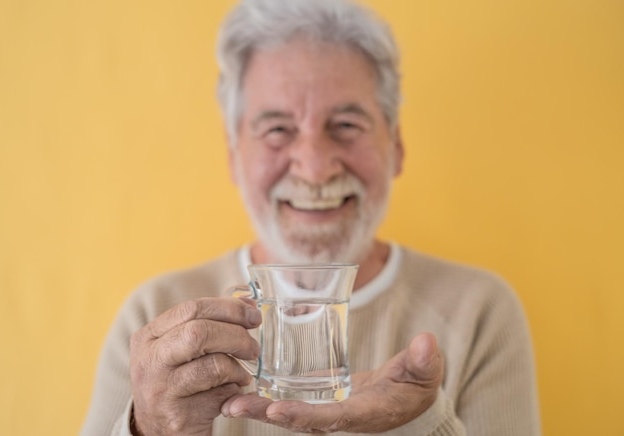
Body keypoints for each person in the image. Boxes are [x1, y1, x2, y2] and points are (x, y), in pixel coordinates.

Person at [81, 0, 540, 434]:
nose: (315, 167)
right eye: (278, 129)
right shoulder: (154, 316)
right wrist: (156, 430)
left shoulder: (481, 312)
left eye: (346, 126)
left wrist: (419, 421)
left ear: (395, 147)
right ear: (234, 155)